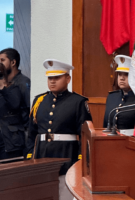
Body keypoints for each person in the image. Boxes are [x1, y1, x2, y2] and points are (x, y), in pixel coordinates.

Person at [26, 59, 92, 199]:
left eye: (57, 77)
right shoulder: (39, 101)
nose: (52, 81)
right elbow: (32, 132)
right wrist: (30, 155)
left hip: (66, 156)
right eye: (50, 78)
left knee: (64, 195)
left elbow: (85, 135)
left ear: (68, 78)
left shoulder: (78, 102)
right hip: (42, 155)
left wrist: (80, 159)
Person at [103, 55, 135, 136]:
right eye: (119, 74)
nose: (122, 78)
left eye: (126, 74)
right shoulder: (112, 97)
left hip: (133, 140)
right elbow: (105, 125)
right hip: (113, 140)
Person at [0, 48, 31, 131]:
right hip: (3, 131)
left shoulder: (23, 82)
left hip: (19, 131)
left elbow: (29, 108)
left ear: (13, 62)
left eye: (2, 60)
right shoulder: (1, 82)